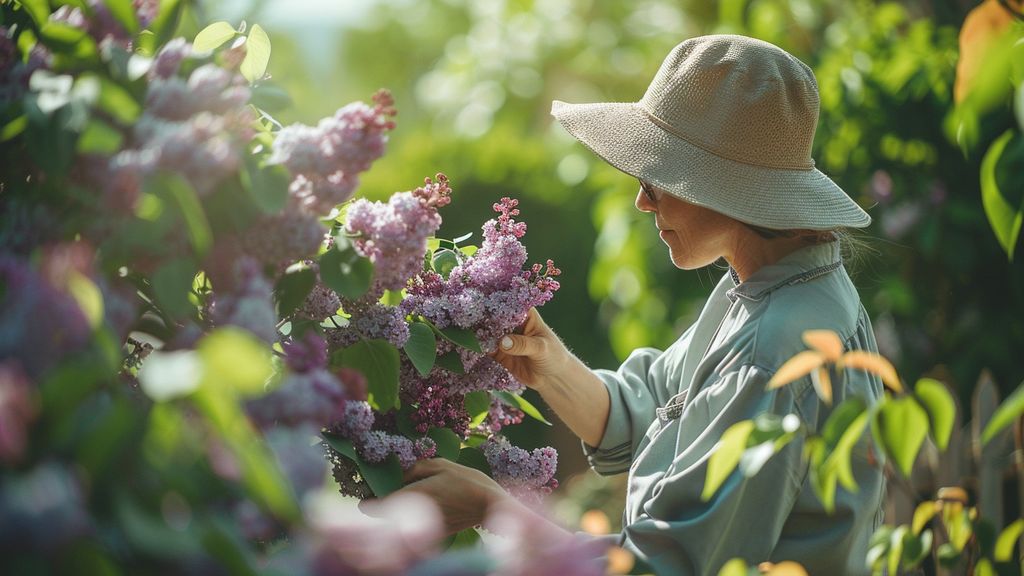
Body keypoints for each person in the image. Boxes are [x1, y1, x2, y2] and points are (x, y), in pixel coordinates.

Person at [394, 34, 886, 575]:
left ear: (723, 190)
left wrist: (493, 507)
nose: (641, 199)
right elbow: (652, 407)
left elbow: (661, 568)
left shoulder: (772, 350)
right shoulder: (767, 286)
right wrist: (549, 365)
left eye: (658, 177)